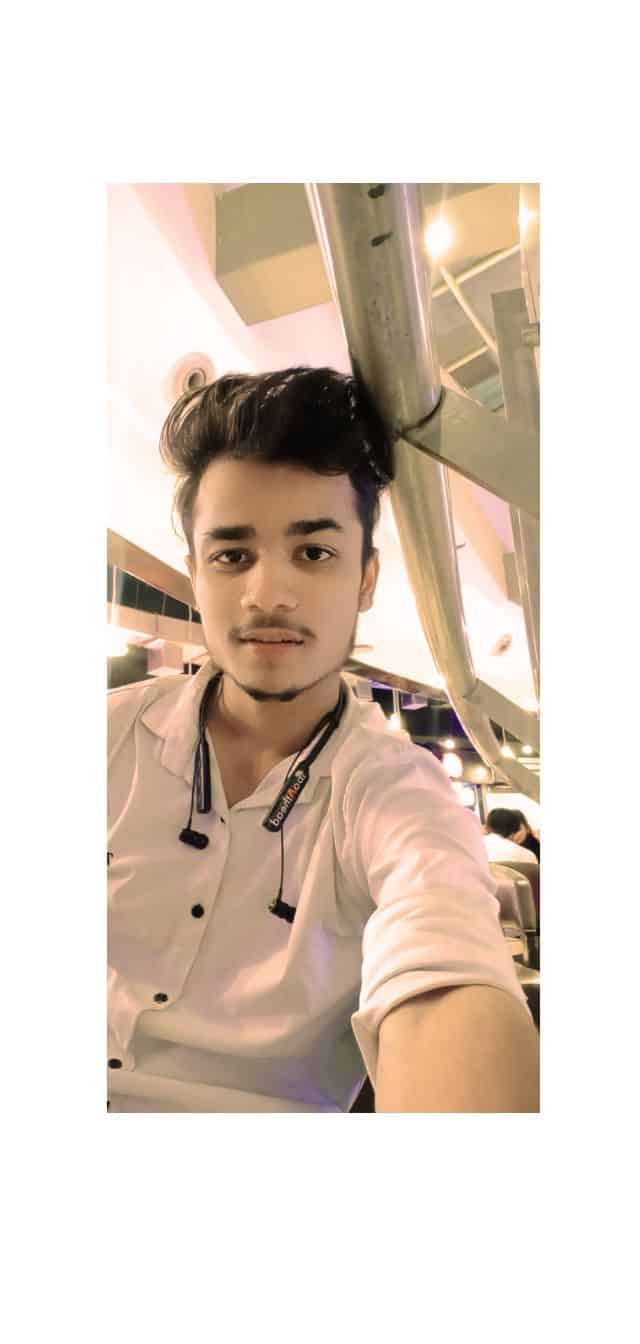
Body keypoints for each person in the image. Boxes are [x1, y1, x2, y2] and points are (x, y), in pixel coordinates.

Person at [108, 366, 539, 1113]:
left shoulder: (393, 792)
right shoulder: (107, 738)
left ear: (366, 578)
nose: (267, 595)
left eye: (313, 553)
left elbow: (442, 950)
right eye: (232, 555)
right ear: (195, 573)